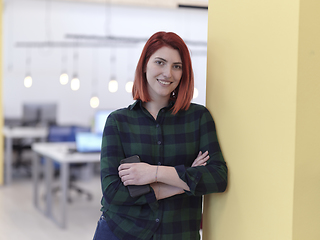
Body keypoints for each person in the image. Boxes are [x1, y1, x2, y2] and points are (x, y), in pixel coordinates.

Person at [93, 31, 228, 240]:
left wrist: (154, 173)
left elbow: (218, 178)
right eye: (160, 62)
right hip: (120, 231)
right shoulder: (118, 121)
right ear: (145, 65)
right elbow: (113, 191)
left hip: (178, 233)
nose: (168, 73)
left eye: (177, 66)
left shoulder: (198, 118)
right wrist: (186, 180)